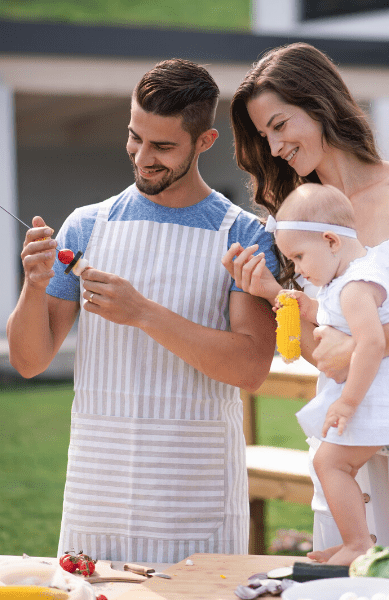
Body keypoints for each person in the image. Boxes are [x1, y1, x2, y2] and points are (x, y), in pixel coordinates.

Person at [222, 42, 389, 568]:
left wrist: (371, 346)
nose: (275, 147)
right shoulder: (300, 220)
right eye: (264, 136)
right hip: (348, 422)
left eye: (280, 125)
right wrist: (274, 298)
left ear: (319, 104)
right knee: (354, 573)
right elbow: (322, 346)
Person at [6, 58, 278, 562]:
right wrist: (34, 285)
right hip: (99, 486)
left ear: (205, 142)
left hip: (194, 489)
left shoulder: (243, 235)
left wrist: (143, 313)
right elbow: (29, 361)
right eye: (135, 137)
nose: (143, 157)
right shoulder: (87, 226)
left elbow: (250, 367)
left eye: (163, 146)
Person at [270, 183, 389, 564]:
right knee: (336, 464)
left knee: (330, 463)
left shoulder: (355, 286)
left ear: (331, 241)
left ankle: (357, 543)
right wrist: (308, 307)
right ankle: (355, 539)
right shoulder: (347, 279)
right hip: (377, 389)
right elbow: (338, 320)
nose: (298, 269)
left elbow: (371, 344)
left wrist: (347, 402)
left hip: (380, 393)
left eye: (300, 257)